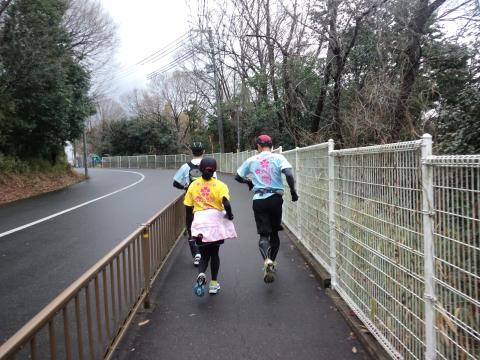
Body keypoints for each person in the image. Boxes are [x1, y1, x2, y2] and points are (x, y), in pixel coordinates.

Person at [235, 134, 298, 283]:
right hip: (275, 199)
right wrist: (293, 191)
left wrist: (249, 182)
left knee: (264, 235)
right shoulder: (278, 158)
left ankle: (266, 260)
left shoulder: (251, 160)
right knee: (274, 233)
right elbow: (288, 173)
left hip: (259, 200)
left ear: (258, 146)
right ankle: (272, 263)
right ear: (271, 145)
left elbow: (237, 176)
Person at [184, 157, 237, 296]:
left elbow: (188, 211)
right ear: (215, 169)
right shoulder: (220, 185)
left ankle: (201, 274)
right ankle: (214, 284)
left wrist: (190, 230)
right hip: (215, 223)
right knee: (214, 254)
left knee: (203, 254)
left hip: (199, 222)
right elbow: (226, 203)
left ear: (200, 168)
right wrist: (230, 215)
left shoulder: (193, 186)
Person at [173, 142, 206, 266]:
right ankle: (204, 251)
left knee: (191, 226)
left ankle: (196, 254)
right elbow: (214, 182)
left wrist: (185, 187)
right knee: (204, 225)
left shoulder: (185, 167)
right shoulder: (208, 165)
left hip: (190, 201)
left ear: (192, 152)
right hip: (205, 202)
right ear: (203, 151)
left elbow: (175, 183)